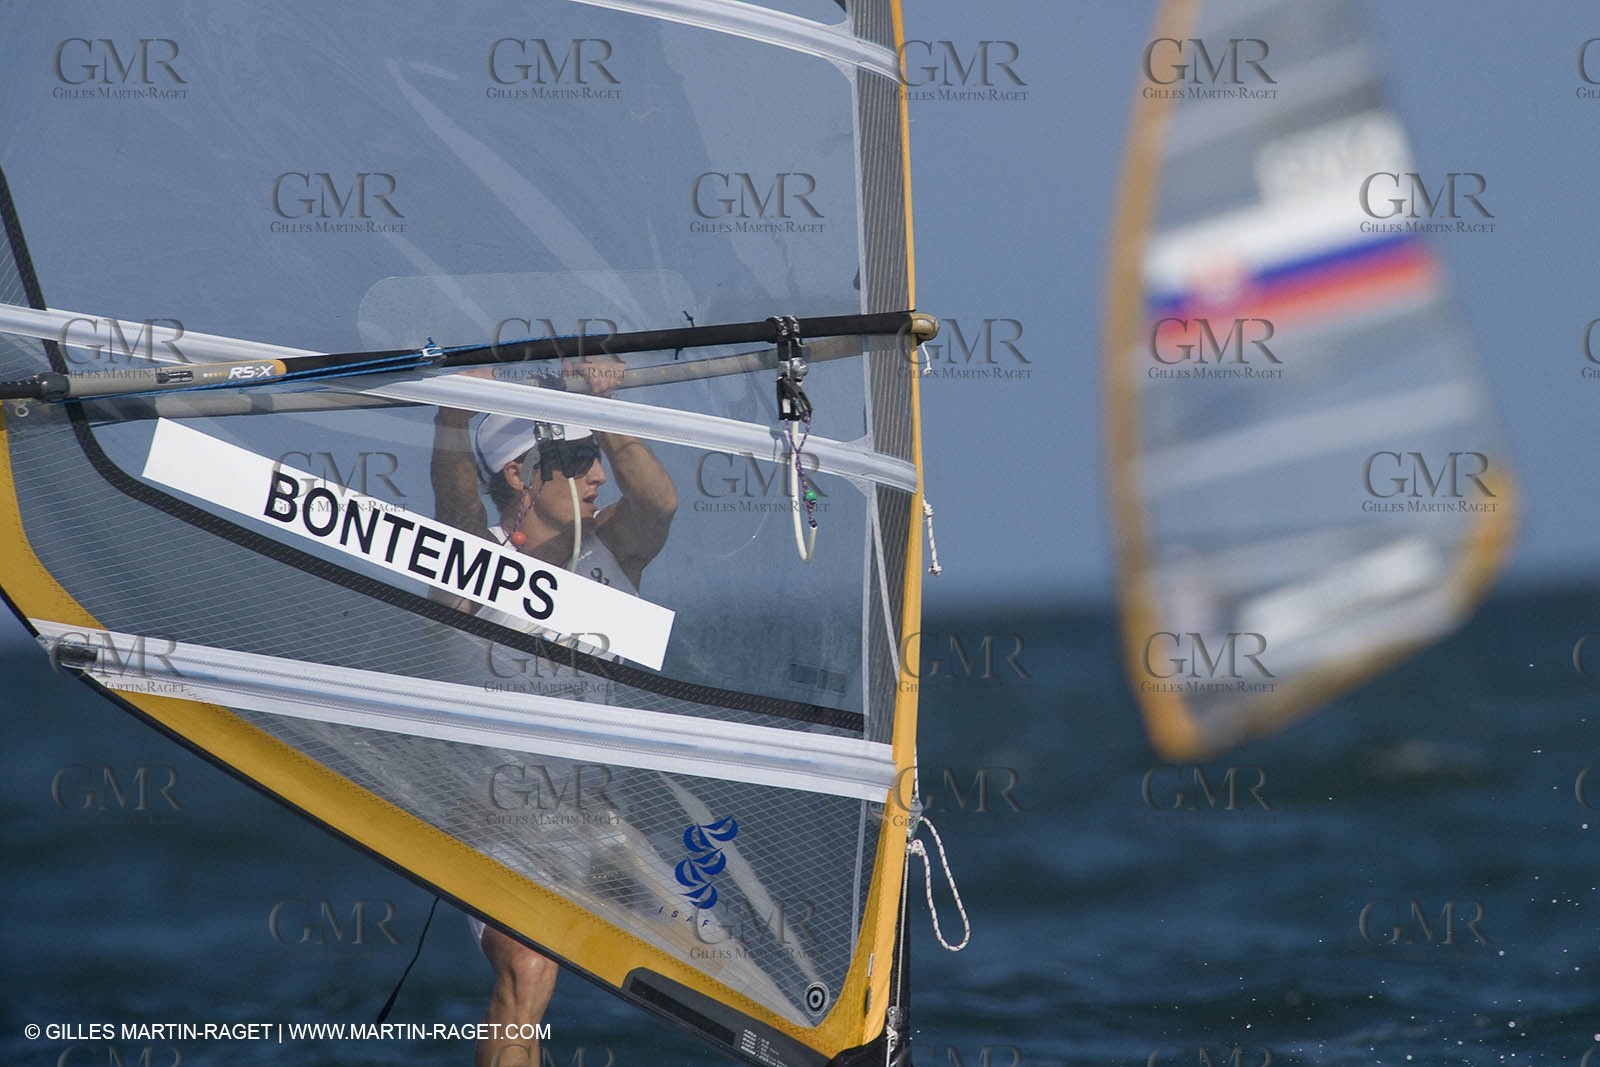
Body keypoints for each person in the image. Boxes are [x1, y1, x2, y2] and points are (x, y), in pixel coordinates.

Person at [431, 354, 677, 1067]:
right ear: (519, 476)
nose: (597, 473)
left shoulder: (612, 556)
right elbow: (453, 503)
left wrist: (606, 411)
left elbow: (659, 504)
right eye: (576, 459)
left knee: (732, 976)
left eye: (596, 455)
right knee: (527, 966)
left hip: (600, 827)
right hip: (501, 828)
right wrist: (451, 407)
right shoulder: (468, 567)